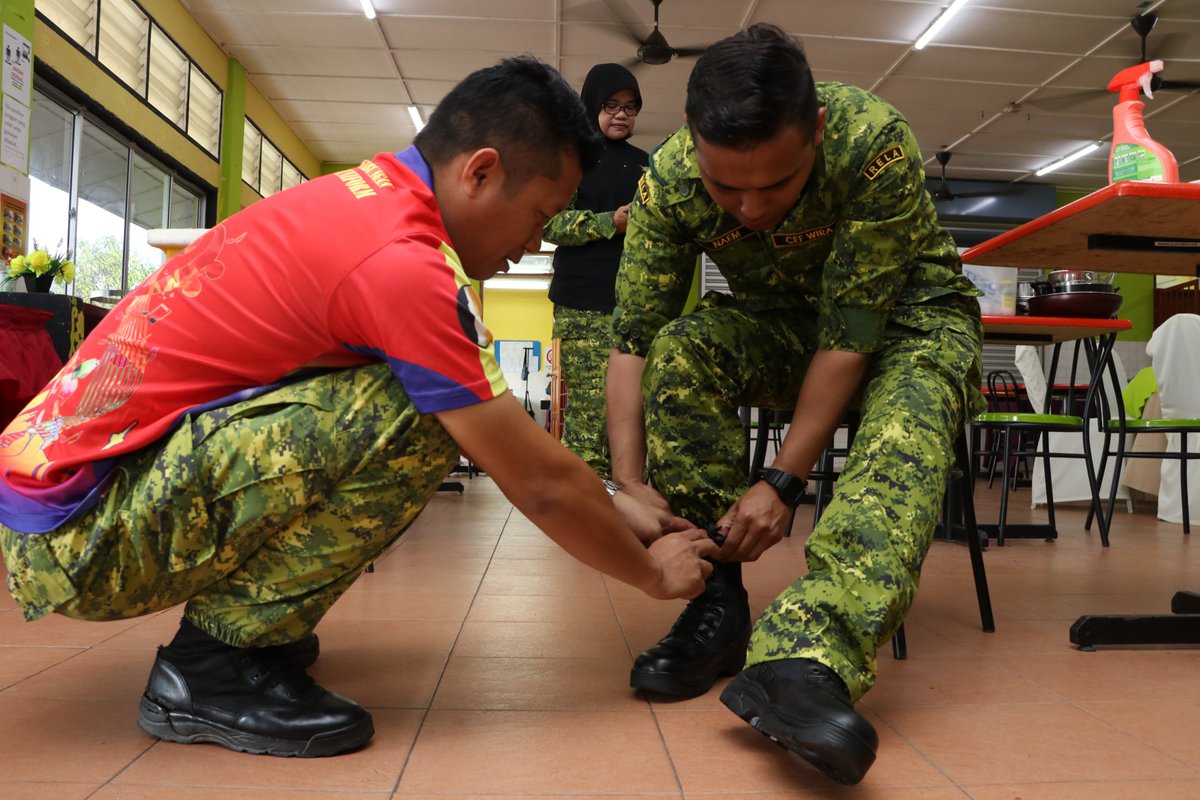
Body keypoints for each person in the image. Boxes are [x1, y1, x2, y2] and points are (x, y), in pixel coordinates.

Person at [0, 56, 718, 759]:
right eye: (539, 216)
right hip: (81, 538)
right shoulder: (402, 260)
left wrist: (611, 499)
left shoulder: (358, 198)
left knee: (424, 393)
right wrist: (652, 575)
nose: (533, 243)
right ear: (480, 171)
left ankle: (254, 629)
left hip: (68, 499)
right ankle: (210, 668)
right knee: (420, 412)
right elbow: (535, 480)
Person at [606, 24, 984, 785]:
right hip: (784, 326)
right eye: (726, 188)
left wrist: (782, 479)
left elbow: (851, 335)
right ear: (693, 140)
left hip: (908, 323)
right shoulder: (667, 180)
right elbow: (635, 339)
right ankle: (717, 607)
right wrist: (629, 480)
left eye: (776, 186)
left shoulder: (869, 142)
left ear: (815, 129)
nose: (750, 208)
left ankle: (809, 655)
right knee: (683, 350)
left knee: (906, 418)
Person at [542, 63, 648, 476]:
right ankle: (586, 499)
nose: (622, 114)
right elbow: (551, 224)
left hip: (633, 308)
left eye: (630, 107)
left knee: (629, 414)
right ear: (592, 106)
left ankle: (620, 497)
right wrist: (610, 222)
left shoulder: (646, 166)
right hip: (583, 307)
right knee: (590, 413)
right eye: (611, 105)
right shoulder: (570, 159)